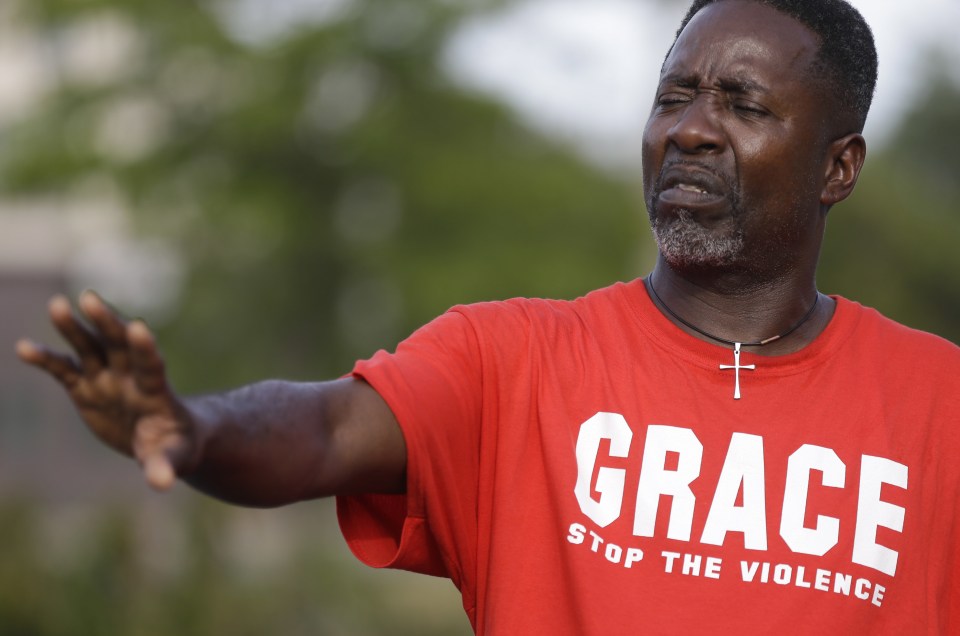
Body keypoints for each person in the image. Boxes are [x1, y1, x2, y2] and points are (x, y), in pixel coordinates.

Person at [16, 0, 960, 633]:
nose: (691, 129)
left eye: (742, 104)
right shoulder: (511, 361)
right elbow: (325, 427)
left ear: (839, 166)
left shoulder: (937, 406)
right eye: (675, 95)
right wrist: (197, 427)